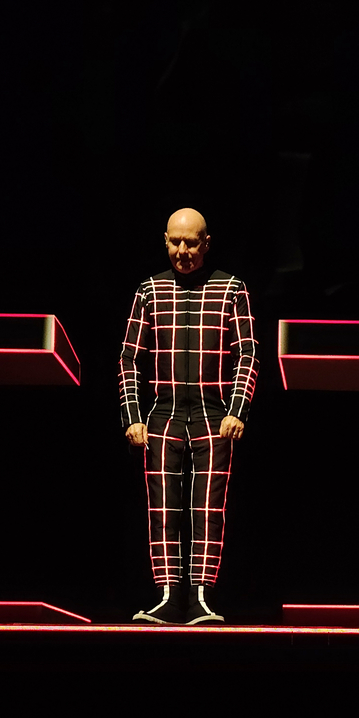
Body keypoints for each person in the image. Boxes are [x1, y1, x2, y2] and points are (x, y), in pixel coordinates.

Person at [117, 208, 256, 624]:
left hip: (214, 414)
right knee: (163, 508)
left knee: (207, 508)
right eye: (175, 242)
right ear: (164, 241)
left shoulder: (231, 289)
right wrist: (132, 416)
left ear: (206, 243)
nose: (182, 250)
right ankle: (167, 596)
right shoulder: (150, 290)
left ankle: (201, 598)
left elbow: (247, 353)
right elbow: (129, 358)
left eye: (191, 242)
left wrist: (237, 410)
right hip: (164, 413)